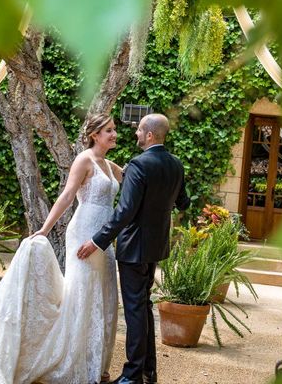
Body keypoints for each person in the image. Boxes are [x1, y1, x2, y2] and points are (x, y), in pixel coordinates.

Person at [0, 113, 123, 384]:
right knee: (83, 297)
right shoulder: (84, 160)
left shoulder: (110, 166)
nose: (114, 134)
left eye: (114, 130)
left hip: (105, 240)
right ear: (94, 135)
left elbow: (133, 183)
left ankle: (98, 364)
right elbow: (67, 195)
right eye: (108, 131)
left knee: (105, 297)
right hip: (83, 235)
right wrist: (45, 228)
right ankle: (76, 364)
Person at [77, 113, 190, 384]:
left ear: (150, 135)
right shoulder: (175, 164)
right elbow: (183, 203)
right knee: (143, 304)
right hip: (156, 246)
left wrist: (96, 241)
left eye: (139, 130)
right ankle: (149, 371)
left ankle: (132, 375)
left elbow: (125, 211)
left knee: (135, 309)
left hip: (134, 248)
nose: (135, 134)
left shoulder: (139, 165)